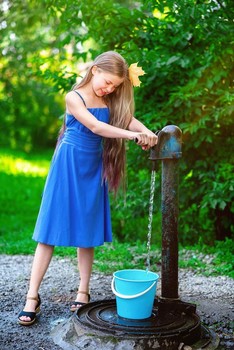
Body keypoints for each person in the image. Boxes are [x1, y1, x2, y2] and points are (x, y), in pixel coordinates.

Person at [18, 51, 158, 326]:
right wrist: (132, 137)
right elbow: (95, 126)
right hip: (68, 164)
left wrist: (147, 132)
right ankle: (31, 297)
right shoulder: (74, 97)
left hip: (94, 167)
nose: (109, 89)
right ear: (94, 70)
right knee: (48, 231)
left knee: (87, 231)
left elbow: (127, 119)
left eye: (115, 87)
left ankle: (83, 291)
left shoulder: (108, 99)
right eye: (107, 82)